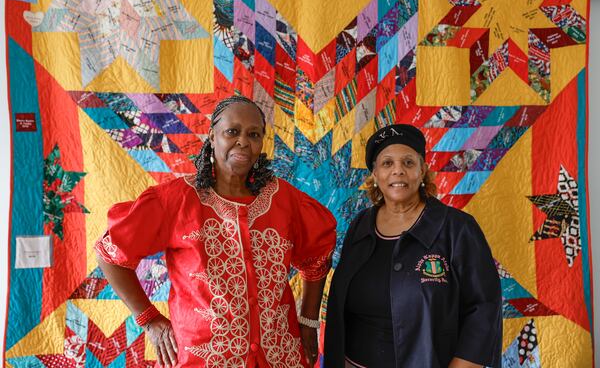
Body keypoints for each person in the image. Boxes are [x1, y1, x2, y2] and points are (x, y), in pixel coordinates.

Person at [95, 95, 336, 368]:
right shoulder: (177, 200)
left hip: (279, 354)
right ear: (212, 136)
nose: (243, 141)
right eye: (232, 132)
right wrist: (149, 318)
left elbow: (317, 259)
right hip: (204, 357)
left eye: (253, 134)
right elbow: (110, 253)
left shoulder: (284, 199)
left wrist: (307, 321)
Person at [324, 124, 502, 368]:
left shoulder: (457, 228)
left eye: (408, 163)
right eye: (387, 163)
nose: (398, 171)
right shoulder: (360, 225)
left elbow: (484, 307)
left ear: (422, 171)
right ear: (375, 174)